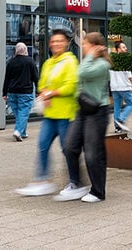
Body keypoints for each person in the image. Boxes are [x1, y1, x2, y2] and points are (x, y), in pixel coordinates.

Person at [15, 29, 78, 197]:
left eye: (59, 41)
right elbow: (42, 83)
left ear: (66, 43)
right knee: (43, 145)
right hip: (50, 114)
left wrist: (51, 93)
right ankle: (42, 181)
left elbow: (71, 86)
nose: (56, 44)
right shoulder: (48, 63)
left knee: (67, 150)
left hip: (65, 114)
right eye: (53, 41)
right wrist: (44, 92)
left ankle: (75, 183)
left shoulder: (70, 61)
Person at [55, 31, 112, 203]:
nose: (83, 47)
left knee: (93, 154)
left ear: (94, 47)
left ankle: (98, 192)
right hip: (82, 110)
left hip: (97, 112)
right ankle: (76, 184)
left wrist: (90, 56)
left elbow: (81, 73)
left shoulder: (103, 64)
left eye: (86, 44)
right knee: (69, 146)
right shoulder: (90, 62)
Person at [3, 42, 39, 141]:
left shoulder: (11, 62)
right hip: (25, 92)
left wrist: (4, 93)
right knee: (23, 113)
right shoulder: (30, 61)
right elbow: (36, 77)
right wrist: (38, 90)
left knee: (19, 113)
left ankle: (22, 132)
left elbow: (7, 78)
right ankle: (18, 131)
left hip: (12, 92)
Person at [109, 41, 132, 133]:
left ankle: (117, 127)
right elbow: (129, 74)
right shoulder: (124, 60)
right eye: (123, 47)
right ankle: (121, 119)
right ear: (118, 49)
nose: (126, 49)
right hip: (124, 86)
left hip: (114, 87)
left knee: (117, 107)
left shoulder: (111, 60)